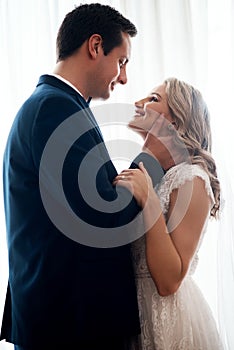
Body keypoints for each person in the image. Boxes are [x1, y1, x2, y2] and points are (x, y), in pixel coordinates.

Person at [0, 4, 165, 350]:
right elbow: (97, 218)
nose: (123, 78)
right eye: (121, 61)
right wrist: (151, 161)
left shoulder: (59, 105)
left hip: (65, 320)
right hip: (69, 328)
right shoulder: (54, 108)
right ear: (94, 46)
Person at [114, 78, 224, 349]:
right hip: (131, 315)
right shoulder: (152, 173)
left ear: (175, 123)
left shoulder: (191, 179)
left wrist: (150, 200)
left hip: (167, 319)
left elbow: (169, 281)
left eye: (153, 99)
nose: (138, 103)